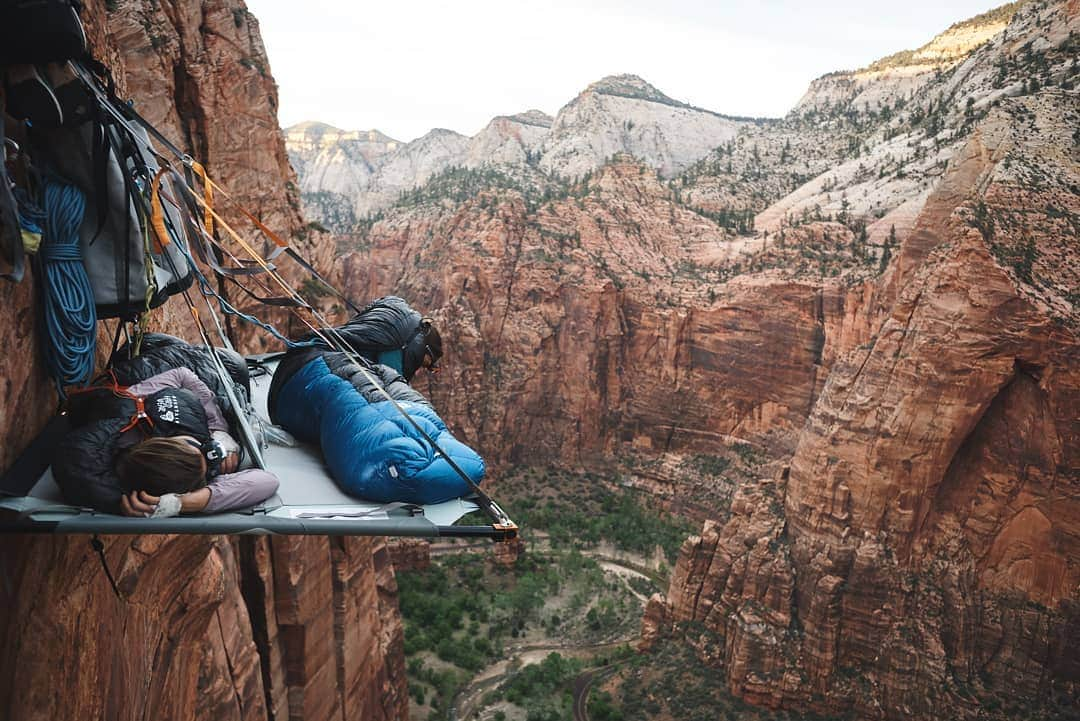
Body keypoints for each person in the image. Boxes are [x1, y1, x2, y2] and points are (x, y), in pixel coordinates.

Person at [112, 367, 279, 518]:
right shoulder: (183, 481)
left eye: (194, 445)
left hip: (197, 386)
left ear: (160, 442)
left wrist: (218, 429)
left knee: (235, 367)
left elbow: (182, 375)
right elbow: (267, 481)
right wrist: (181, 503)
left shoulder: (135, 420)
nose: (206, 450)